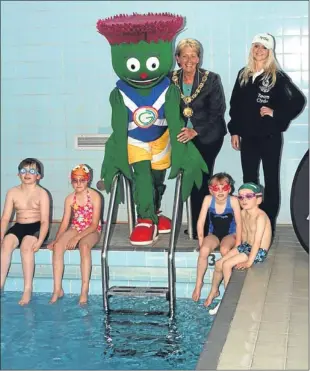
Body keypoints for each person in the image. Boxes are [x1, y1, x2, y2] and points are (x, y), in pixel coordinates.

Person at [96, 15, 207, 246]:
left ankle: (154, 210)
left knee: (157, 177)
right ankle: (145, 219)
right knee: (143, 176)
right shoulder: (119, 94)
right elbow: (118, 127)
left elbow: (175, 119)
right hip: (135, 143)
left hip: (161, 140)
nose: (144, 73)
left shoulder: (169, 89)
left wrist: (182, 147)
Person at [228, 33, 306, 236]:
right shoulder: (243, 75)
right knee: (249, 179)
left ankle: (267, 224)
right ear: (251, 49)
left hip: (269, 136)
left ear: (270, 52)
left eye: (264, 48)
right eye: (256, 46)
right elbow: (234, 106)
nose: (259, 51)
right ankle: (251, 223)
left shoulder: (276, 76)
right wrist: (234, 131)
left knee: (271, 180)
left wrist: (276, 114)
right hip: (248, 137)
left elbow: (298, 100)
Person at [171, 38, 227, 239]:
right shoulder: (171, 79)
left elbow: (217, 111)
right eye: (184, 55)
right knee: (189, 180)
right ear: (177, 58)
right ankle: (197, 224)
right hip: (182, 138)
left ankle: (201, 226)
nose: (189, 60)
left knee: (201, 180)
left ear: (199, 58)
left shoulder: (211, 79)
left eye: (193, 55)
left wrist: (195, 131)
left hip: (207, 136)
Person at [205, 182, 272, 314]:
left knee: (227, 265)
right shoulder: (242, 213)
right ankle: (214, 290)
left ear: (258, 199)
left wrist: (248, 262)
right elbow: (241, 234)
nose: (244, 200)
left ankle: (229, 300)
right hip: (246, 246)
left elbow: (257, 242)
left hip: (257, 251)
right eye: (240, 197)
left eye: (248, 196)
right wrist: (237, 248)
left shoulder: (261, 217)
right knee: (219, 264)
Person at [48, 164, 102, 305]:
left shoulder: (95, 196)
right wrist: (56, 239)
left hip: (92, 229)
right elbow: (65, 222)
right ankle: (57, 289)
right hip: (76, 227)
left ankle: (84, 290)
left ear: (88, 180)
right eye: (75, 180)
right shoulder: (70, 199)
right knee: (58, 246)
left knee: (84, 246)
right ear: (71, 181)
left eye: (82, 180)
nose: (78, 184)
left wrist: (77, 238)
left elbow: (94, 224)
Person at [0, 158, 50, 305]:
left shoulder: (42, 194)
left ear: (38, 176)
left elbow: (45, 221)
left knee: (26, 247)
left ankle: (27, 288)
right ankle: (0, 284)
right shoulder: (12, 192)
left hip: (36, 227)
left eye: (32, 171)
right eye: (23, 171)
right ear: (18, 174)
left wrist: (40, 240)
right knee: (6, 244)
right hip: (19, 225)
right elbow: (5, 218)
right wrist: (1, 236)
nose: (27, 174)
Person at [192, 172, 242, 301]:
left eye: (224, 188)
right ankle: (199, 283)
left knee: (225, 250)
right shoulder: (208, 199)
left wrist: (238, 244)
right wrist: (201, 241)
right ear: (211, 190)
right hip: (213, 234)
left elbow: (240, 224)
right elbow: (200, 222)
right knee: (203, 250)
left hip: (230, 234)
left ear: (229, 189)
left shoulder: (233, 201)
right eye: (216, 189)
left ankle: (227, 284)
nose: (220, 192)